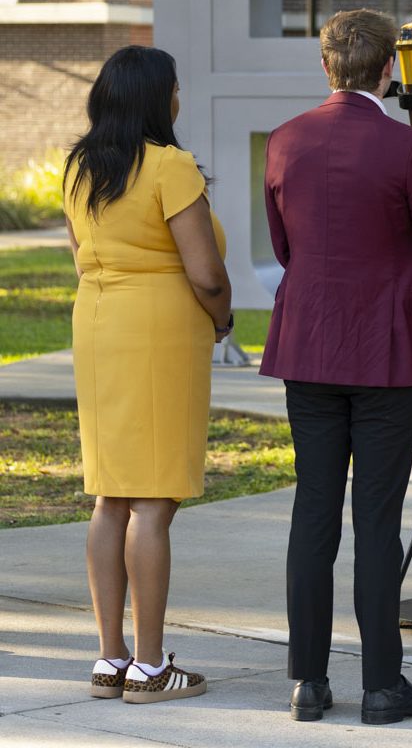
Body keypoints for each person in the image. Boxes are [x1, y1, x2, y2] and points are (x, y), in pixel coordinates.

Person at [260, 8, 412, 726]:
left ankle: (307, 683)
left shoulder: (285, 140)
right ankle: (381, 685)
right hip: (384, 351)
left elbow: (287, 245)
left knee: (313, 511)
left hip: (308, 345)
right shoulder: (407, 147)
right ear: (388, 70)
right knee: (376, 519)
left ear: (326, 66)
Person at [63, 45, 231, 705]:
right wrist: (220, 319)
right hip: (161, 333)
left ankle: (111, 659)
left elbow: (80, 254)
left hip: (98, 327)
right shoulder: (170, 166)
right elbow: (207, 272)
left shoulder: (79, 169)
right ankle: (154, 667)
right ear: (160, 99)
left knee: (110, 496)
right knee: (155, 501)